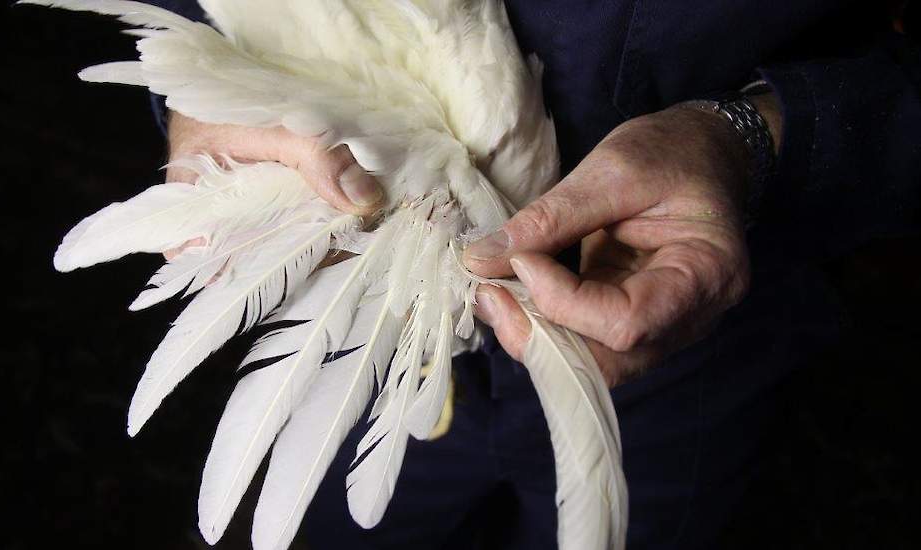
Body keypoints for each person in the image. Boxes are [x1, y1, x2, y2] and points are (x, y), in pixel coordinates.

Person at [144, 1, 921, 548]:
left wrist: (757, 136)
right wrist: (205, 83)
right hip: (364, 318)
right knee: (357, 527)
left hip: (689, 319)